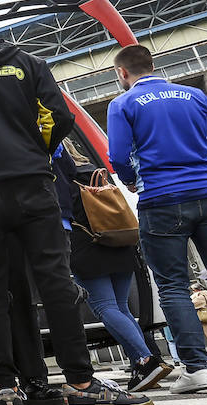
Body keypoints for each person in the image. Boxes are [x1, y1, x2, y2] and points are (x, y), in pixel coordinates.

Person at [0, 8, 152, 405]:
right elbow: (60, 117)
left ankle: (5, 392)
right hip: (33, 184)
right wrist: (34, 150)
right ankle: (81, 385)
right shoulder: (29, 62)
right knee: (55, 283)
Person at [106, 44, 207, 394]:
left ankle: (198, 370)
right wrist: (205, 173)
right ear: (153, 65)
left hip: (161, 200)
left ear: (122, 73)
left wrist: (131, 179)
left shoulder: (123, 103)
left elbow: (118, 156)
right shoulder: (195, 95)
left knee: (173, 285)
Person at [53, 145, 173, 392]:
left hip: (88, 244)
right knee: (121, 307)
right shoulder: (94, 170)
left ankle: (146, 360)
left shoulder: (62, 173)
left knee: (104, 307)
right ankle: (145, 364)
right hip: (120, 242)